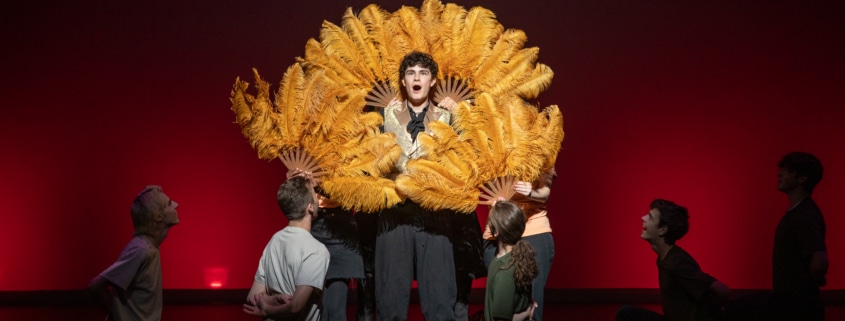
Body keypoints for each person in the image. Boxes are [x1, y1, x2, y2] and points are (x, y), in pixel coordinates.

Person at [376, 51, 457, 321]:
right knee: (390, 296)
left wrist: (462, 116)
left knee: (439, 297)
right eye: (411, 73)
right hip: (394, 213)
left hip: (434, 213)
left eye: (423, 73)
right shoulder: (383, 114)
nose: (416, 78)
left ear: (432, 81)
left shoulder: (447, 117)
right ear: (404, 80)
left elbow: (467, 155)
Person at [725, 152, 828, 321]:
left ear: (802, 178)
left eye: (787, 171)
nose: (779, 174)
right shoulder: (798, 213)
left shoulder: (805, 216)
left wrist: (806, 285)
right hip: (791, 301)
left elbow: (820, 261)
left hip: (795, 304)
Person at [616, 199, 730, 321]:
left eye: (650, 217)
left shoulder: (677, 262)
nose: (643, 218)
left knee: (626, 313)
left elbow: (722, 290)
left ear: (662, 230)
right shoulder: (664, 257)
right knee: (627, 313)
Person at [244, 175, 330, 321]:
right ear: (309, 207)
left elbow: (252, 296)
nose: (318, 199)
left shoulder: (274, 240)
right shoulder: (317, 250)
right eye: (315, 195)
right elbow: (295, 306)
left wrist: (275, 299)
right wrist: (267, 310)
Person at [88, 185, 180, 321]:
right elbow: (96, 286)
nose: (176, 206)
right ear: (158, 216)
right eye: (169, 204)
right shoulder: (141, 250)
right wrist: (116, 315)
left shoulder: (150, 248)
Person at [483, 167, 556, 321]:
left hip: (533, 230)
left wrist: (531, 192)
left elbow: (545, 192)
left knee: (530, 304)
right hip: (499, 230)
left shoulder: (539, 146)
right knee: (498, 299)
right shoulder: (488, 146)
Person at [484, 201, 538, 321]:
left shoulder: (505, 273)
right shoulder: (512, 258)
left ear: (496, 231)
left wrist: (528, 313)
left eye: (490, 220)